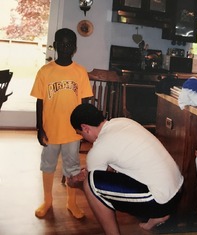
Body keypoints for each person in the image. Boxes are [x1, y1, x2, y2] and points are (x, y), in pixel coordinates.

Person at [70, 103, 184, 235]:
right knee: (99, 178)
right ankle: (157, 217)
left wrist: (74, 182)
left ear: (85, 128)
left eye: (80, 133)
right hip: (177, 191)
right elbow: (109, 171)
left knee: (90, 184)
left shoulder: (99, 149)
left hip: (161, 201)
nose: (83, 137)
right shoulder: (121, 122)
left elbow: (92, 184)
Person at [30, 28, 93, 219]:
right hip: (50, 131)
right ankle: (48, 200)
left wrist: (84, 128)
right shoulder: (45, 71)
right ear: (56, 46)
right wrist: (39, 128)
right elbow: (39, 101)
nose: (65, 48)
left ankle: (71, 202)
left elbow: (84, 103)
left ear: (74, 48)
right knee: (48, 165)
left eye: (69, 45)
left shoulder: (80, 72)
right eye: (62, 44)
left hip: (72, 132)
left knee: (72, 167)